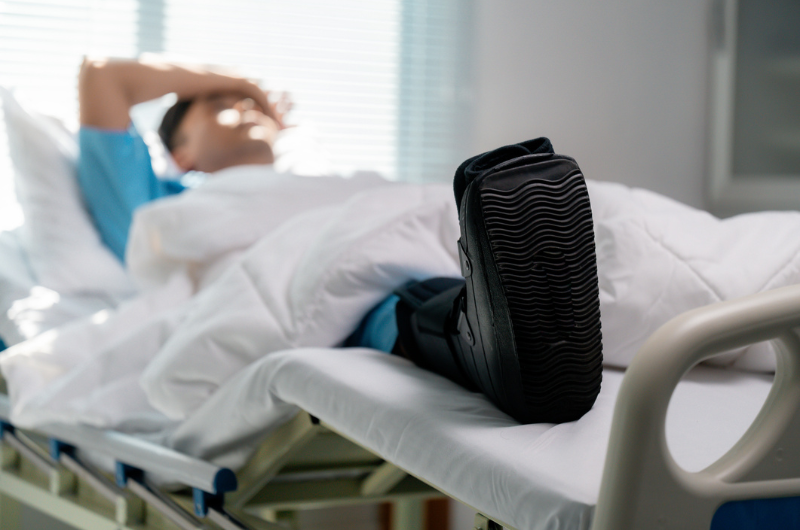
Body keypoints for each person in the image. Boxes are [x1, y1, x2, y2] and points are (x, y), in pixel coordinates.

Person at [77, 58, 603, 425]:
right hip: (313, 285)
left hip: (383, 248)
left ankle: (510, 317)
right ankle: (490, 339)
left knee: (394, 257)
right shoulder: (166, 203)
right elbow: (102, 76)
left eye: (252, 103)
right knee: (380, 299)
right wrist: (243, 80)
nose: (248, 107)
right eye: (222, 105)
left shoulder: (322, 187)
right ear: (182, 154)